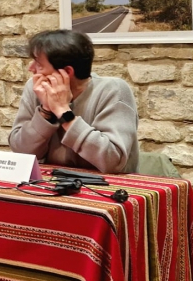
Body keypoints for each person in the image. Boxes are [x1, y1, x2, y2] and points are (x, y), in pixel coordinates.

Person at [9, 29, 139, 174]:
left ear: (66, 72)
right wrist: (46, 111)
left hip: (107, 188)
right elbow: (21, 152)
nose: (31, 68)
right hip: (52, 184)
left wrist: (63, 112)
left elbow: (113, 161)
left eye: (39, 64)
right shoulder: (36, 88)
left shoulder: (113, 90)